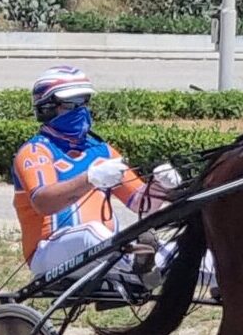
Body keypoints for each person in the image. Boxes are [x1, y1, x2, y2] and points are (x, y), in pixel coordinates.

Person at [11, 66, 181, 282]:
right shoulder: (34, 152)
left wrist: (160, 185)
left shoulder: (102, 150)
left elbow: (140, 204)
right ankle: (141, 268)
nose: (81, 110)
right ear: (47, 108)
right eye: (72, 104)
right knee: (89, 233)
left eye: (84, 101)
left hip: (105, 248)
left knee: (186, 245)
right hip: (48, 251)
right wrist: (89, 179)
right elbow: (44, 203)